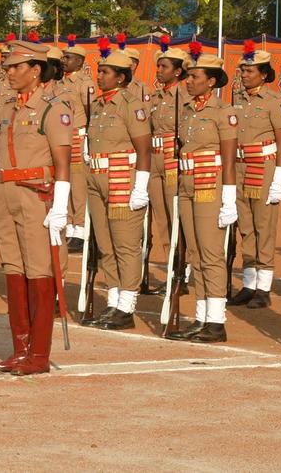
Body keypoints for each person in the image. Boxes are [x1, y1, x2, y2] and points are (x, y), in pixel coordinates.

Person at [0, 40, 72, 375]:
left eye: (16, 67)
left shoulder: (53, 108)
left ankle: (38, 354)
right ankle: (20, 349)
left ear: (35, 71)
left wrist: (60, 208)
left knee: (39, 272)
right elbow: (4, 162)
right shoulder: (7, 108)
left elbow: (63, 163)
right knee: (14, 271)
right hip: (6, 195)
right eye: (7, 66)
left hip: (36, 198)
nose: (9, 72)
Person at [165, 46, 238, 343]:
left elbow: (230, 158)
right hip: (186, 184)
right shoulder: (185, 110)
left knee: (210, 254)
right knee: (193, 253)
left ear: (211, 81)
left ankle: (216, 322)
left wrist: (229, 198)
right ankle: (201, 317)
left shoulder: (224, 113)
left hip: (211, 184)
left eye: (195, 76)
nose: (189, 81)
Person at [79, 47, 152, 330]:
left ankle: (126, 307)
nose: (100, 76)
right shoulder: (97, 105)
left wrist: (141, 188)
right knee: (105, 244)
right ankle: (113, 300)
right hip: (96, 179)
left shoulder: (131, 106)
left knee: (125, 245)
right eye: (100, 71)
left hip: (122, 179)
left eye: (105, 72)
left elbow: (144, 150)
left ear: (121, 77)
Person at [229, 41, 281, 309]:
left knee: (264, 228)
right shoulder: (238, 98)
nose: (244, 75)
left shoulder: (275, 101)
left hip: (262, 169)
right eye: (242, 71)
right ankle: (249, 283)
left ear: (264, 74)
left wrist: (278, 179)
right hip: (240, 168)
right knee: (246, 228)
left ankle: (263, 288)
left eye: (250, 71)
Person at [146, 38, 191, 295]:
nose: (159, 70)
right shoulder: (155, 96)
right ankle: (172, 268)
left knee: (177, 218)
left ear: (177, 71)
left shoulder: (183, 95)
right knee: (162, 219)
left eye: (164, 67)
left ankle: (182, 274)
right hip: (154, 160)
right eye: (158, 66)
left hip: (174, 160)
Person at [61, 35, 94, 253]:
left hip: (78, 135)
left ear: (80, 62)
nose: (64, 60)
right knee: (68, 183)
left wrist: (87, 140)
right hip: (64, 135)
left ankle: (80, 230)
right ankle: (70, 226)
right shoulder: (60, 82)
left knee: (79, 185)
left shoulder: (85, 83)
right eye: (64, 57)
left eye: (69, 57)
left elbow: (89, 110)